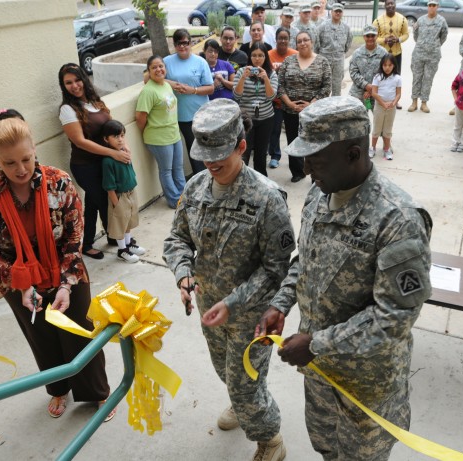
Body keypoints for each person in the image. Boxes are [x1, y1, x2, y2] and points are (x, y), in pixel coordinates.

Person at [255, 96, 432, 461]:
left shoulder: (398, 220)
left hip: (366, 384)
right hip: (320, 373)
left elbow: (393, 318)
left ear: (353, 153)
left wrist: (316, 344)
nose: (306, 169)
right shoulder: (320, 196)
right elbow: (306, 260)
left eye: (316, 160)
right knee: (326, 447)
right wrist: (280, 303)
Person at [163, 98, 295, 461]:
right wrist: (183, 274)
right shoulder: (195, 188)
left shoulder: (267, 199)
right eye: (205, 156)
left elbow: (276, 271)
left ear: (241, 146)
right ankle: (242, 405)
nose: (210, 164)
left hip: (252, 318)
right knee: (227, 374)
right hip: (210, 310)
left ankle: (271, 440)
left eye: (219, 156)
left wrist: (233, 303)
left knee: (246, 385)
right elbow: (177, 239)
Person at [0, 118, 114, 421]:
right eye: (9, 163)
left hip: (66, 273)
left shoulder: (59, 182)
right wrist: (21, 284)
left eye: (26, 158)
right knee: (42, 338)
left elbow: (74, 237)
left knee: (79, 334)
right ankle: (58, 389)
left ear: (35, 148)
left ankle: (97, 392)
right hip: (17, 281)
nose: (21, 169)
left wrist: (64, 285)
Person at [58, 63, 131, 260]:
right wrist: (113, 153)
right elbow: (80, 142)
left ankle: (88, 243)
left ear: (84, 78)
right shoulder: (67, 109)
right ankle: (119, 240)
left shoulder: (95, 101)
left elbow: (111, 129)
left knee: (92, 204)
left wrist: (122, 146)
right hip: (86, 167)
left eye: (77, 80)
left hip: (104, 162)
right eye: (68, 83)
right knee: (107, 204)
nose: (74, 85)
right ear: (63, 86)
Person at [277, 31, 332, 182]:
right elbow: (279, 84)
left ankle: (316, 173)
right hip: (290, 110)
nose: (302, 43)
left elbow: (327, 87)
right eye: (299, 41)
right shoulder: (288, 61)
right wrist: (288, 103)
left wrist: (310, 104)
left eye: (305, 40)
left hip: (314, 111)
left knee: (314, 142)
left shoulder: (322, 62)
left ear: (312, 42)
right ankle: (297, 171)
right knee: (293, 140)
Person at [136, 55, 186, 209]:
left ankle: (184, 196)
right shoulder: (148, 91)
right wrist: (149, 132)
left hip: (173, 134)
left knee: (178, 167)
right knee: (166, 170)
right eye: (154, 67)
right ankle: (174, 200)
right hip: (158, 138)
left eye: (161, 66)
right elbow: (140, 117)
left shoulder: (166, 85)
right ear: (148, 71)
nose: (158, 69)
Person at [163, 29, 214, 175]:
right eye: (178, 43)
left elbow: (210, 88)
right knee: (193, 150)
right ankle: (201, 178)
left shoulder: (200, 62)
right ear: (174, 45)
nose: (182, 46)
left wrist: (193, 90)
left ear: (190, 43)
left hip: (202, 114)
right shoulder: (167, 61)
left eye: (185, 43)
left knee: (207, 148)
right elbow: (149, 78)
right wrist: (172, 84)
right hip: (182, 116)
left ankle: (213, 177)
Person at [101, 120, 146, 264]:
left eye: (121, 135)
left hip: (131, 192)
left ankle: (128, 244)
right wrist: (117, 204)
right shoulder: (108, 161)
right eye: (115, 136)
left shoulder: (124, 153)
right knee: (120, 223)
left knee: (129, 220)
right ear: (106, 139)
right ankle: (122, 250)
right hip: (119, 197)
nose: (120, 139)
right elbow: (109, 186)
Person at [233, 42, 278, 176]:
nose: (257, 59)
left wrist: (266, 79)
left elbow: (271, 97)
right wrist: (243, 78)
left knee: (261, 152)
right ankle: (242, 178)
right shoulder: (242, 71)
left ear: (266, 57)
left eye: (260, 55)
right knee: (244, 152)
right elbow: (236, 95)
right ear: (249, 57)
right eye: (254, 55)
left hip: (266, 119)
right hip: (246, 120)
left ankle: (261, 179)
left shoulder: (270, 73)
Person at [408, 0, 448, 113]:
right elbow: (415, 35)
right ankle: (414, 101)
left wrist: (435, 45)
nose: (431, 7)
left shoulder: (441, 21)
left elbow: (444, 36)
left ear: (437, 7)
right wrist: (422, 44)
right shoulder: (421, 20)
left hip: (433, 55)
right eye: (430, 5)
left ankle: (424, 102)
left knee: (428, 78)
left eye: (434, 5)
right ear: (427, 7)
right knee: (416, 77)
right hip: (419, 53)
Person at [268, 28, 298, 169]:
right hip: (275, 101)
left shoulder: (295, 54)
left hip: (292, 100)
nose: (283, 41)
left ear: (289, 39)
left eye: (286, 38)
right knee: (275, 130)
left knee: (293, 131)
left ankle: (296, 157)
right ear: (276, 39)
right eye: (280, 38)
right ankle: (275, 155)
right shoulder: (269, 55)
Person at [316, 3, 353, 96]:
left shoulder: (346, 27)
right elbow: (317, 42)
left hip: (339, 60)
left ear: (342, 13)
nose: (338, 13)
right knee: (323, 85)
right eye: (336, 11)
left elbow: (348, 42)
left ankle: (335, 106)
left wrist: (341, 52)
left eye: (340, 11)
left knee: (337, 87)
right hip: (325, 59)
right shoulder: (323, 26)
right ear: (331, 12)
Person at [371, 53, 402, 160]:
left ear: (394, 65)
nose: (387, 68)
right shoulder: (377, 77)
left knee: (387, 129)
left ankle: (386, 149)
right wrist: (383, 103)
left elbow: (398, 93)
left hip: (391, 108)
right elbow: (374, 93)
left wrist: (394, 103)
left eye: (390, 65)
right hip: (379, 106)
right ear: (381, 65)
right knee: (376, 128)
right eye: (385, 65)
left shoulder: (397, 78)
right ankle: (373, 148)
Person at [349, 24, 387, 108]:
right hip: (359, 93)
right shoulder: (357, 53)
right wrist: (366, 85)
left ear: (377, 36)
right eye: (367, 36)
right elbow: (353, 72)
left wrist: (372, 89)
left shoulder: (384, 53)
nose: (370, 38)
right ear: (363, 36)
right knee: (358, 120)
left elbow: (386, 73)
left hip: (378, 93)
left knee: (379, 120)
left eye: (373, 36)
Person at [373, 0, 409, 80]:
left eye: (392, 3)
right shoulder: (378, 21)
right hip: (382, 54)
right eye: (388, 4)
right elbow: (374, 38)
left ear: (395, 5)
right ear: (385, 6)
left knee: (396, 78)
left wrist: (398, 39)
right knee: (381, 78)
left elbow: (406, 34)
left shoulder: (402, 19)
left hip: (396, 54)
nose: (390, 5)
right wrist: (384, 40)